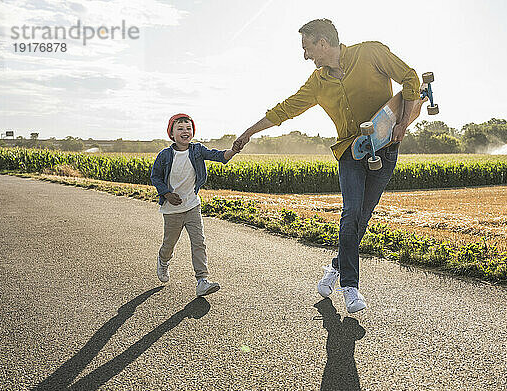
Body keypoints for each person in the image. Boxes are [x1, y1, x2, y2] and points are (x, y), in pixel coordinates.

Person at [233, 19, 421, 312]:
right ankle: (350, 287)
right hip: (350, 152)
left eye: (307, 48)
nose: (305, 55)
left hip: (386, 148)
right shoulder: (317, 82)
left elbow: (410, 78)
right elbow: (287, 108)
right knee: (350, 213)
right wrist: (249, 131)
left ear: (322, 43)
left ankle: (335, 267)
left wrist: (403, 122)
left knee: (362, 217)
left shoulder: (371, 52)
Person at [151, 113, 237, 296]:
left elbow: (218, 156)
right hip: (172, 209)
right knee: (169, 244)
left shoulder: (197, 150)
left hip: (192, 206)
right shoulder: (165, 155)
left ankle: (202, 280)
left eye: (188, 128)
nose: (185, 131)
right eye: (180, 128)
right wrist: (166, 193)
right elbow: (155, 177)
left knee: (199, 242)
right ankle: (163, 260)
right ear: (172, 134)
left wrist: (233, 150)